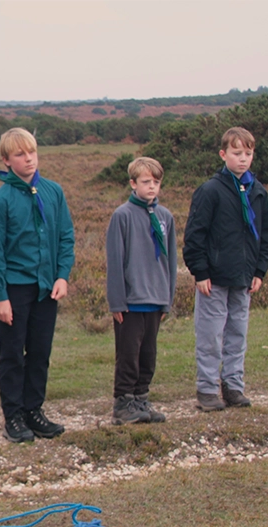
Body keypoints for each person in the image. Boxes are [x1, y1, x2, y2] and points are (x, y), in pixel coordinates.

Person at [0, 127, 75, 444]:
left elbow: (65, 236)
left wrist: (62, 275)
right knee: (12, 354)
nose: (28, 159)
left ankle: (34, 410)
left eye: (32, 152)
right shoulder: (0, 200)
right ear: (6, 160)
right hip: (15, 289)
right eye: (20, 154)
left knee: (40, 352)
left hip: (47, 287)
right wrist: (1, 296)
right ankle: (13, 417)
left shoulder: (53, 192)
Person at [183, 127, 268, 411]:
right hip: (214, 277)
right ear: (223, 154)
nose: (243, 159)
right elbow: (194, 235)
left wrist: (259, 271)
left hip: (244, 277)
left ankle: (233, 386)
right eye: (237, 153)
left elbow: (265, 235)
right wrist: (200, 272)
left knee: (238, 334)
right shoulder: (210, 190)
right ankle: (207, 389)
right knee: (211, 335)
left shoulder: (258, 191)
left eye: (248, 153)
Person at [105, 157, 176, 425]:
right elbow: (115, 261)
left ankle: (141, 399)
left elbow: (170, 261)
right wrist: (117, 301)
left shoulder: (165, 216)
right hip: (131, 302)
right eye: (146, 182)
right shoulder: (122, 215)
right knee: (128, 355)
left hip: (155, 300)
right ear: (133, 183)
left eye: (156, 182)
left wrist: (167, 300)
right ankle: (123, 404)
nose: (152, 187)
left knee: (148, 355)